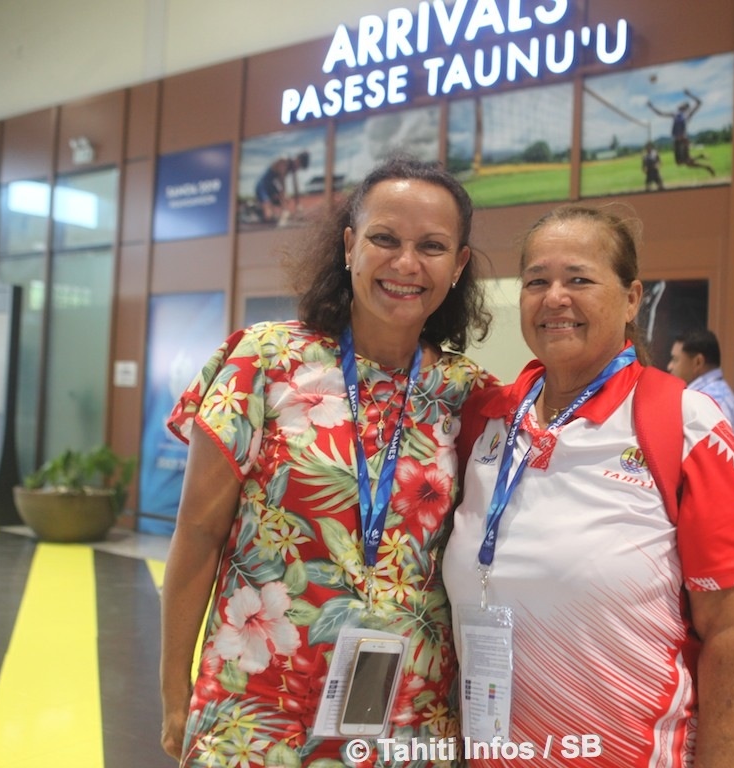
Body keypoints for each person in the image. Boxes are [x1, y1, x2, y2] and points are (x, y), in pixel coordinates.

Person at [160, 155, 495, 768]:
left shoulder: (468, 395)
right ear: (349, 246)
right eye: (384, 239)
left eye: (432, 246)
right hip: (256, 705)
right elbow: (199, 533)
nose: (405, 264)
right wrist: (172, 689)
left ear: (459, 266)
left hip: (411, 719)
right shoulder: (263, 361)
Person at [442, 205, 734, 768]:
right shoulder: (484, 419)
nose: (554, 297)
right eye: (536, 281)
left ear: (632, 298)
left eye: (580, 279)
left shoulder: (685, 423)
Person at [669, 328, 734, 464]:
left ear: (698, 362)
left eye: (676, 360)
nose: (670, 366)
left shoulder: (707, 403)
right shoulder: (722, 397)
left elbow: (709, 464)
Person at [648, 88, 716, 177]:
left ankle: (705, 164)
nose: (679, 105)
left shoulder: (687, 114)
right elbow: (660, 114)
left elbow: (699, 102)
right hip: (676, 141)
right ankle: (702, 160)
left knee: (686, 162)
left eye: (682, 104)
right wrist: (651, 106)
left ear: (685, 107)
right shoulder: (675, 114)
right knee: (680, 163)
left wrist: (689, 94)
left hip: (683, 140)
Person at [255, 150, 311, 223]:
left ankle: (264, 210)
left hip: (272, 186)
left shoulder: (293, 167)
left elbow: (295, 185)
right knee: (268, 214)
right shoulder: (284, 160)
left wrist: (298, 204)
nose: (298, 168)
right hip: (263, 186)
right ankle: (261, 209)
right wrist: (285, 208)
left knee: (285, 200)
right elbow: (282, 182)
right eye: (299, 166)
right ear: (297, 159)